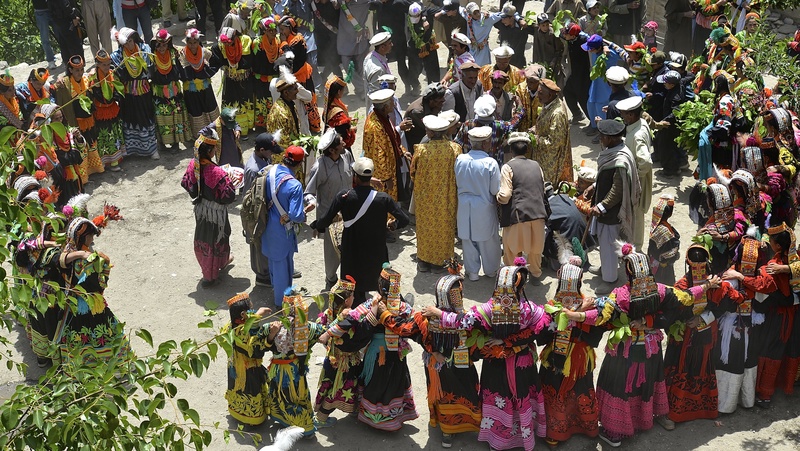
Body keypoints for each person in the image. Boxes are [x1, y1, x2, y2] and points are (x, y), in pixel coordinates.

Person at [595, 244, 715, 447]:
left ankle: (614, 431)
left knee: (620, 386)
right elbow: (685, 297)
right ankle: (643, 420)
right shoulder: (660, 290)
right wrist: (705, 286)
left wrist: (579, 312)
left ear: (629, 271)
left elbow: (603, 316)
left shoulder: (622, 295)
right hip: (651, 348)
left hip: (626, 351)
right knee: (647, 382)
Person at [381, 265, 482, 448]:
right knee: (462, 391)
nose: (459, 296)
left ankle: (447, 431)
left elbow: (405, 330)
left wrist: (385, 315)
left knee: (444, 394)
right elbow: (477, 345)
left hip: (437, 365)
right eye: (457, 293)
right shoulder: (467, 319)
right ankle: (462, 425)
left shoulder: (426, 318)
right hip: (461, 365)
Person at [461, 262, 553, 451]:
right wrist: (514, 342)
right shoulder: (528, 310)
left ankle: (498, 440)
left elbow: (466, 322)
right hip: (523, 363)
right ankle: (524, 437)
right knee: (521, 394)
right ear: (521, 286)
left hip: (495, 364)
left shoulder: (488, 309)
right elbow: (542, 327)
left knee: (499, 396)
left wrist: (499, 341)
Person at [313, 158, 409, 305]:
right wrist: (393, 225)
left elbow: (325, 220)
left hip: (352, 250)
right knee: (382, 281)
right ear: (371, 177)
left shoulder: (344, 197)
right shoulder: (383, 198)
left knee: (353, 286)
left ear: (355, 176)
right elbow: (404, 219)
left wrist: (315, 225)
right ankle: (392, 308)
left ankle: (356, 311)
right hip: (376, 250)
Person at [666, 244, 743, 426]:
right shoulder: (715, 284)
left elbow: (673, 311)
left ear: (687, 263)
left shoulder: (683, 286)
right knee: (698, 367)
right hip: (702, 335)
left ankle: (677, 411)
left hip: (689, 337)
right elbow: (729, 303)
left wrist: (697, 319)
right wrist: (705, 318)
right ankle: (702, 409)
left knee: (683, 368)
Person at [723, 223, 797, 408]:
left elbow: (763, 286)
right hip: (789, 314)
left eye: (771, 241)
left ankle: (764, 394)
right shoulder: (792, 259)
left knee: (769, 352)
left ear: (778, 246)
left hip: (778, 317)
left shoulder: (774, 265)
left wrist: (740, 277)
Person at [540, 260, 608, 446]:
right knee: (571, 389)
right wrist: (581, 311)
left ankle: (563, 429)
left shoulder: (558, 304)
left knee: (565, 390)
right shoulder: (584, 304)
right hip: (568, 355)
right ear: (580, 281)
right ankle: (574, 427)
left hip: (572, 357)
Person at [56, 209, 129, 368]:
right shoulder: (87, 260)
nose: (91, 238)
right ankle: (107, 368)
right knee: (103, 335)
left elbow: (61, 261)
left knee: (76, 339)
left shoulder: (68, 251)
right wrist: (105, 270)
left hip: (73, 306)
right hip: (90, 305)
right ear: (82, 236)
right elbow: (97, 285)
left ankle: (79, 369)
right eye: (89, 235)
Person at [264, 288, 327, 435]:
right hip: (296, 370)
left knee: (281, 396)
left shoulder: (274, 328)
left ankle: (284, 420)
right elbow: (324, 331)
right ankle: (305, 428)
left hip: (278, 371)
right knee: (298, 398)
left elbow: (262, 344)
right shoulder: (307, 328)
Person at [590, 119, 641, 294]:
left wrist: (602, 207)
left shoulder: (620, 159)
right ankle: (605, 268)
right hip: (605, 206)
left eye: (602, 136)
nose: (600, 139)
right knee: (604, 244)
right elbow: (605, 177)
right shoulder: (612, 151)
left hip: (612, 212)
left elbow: (618, 189)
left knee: (609, 244)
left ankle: (610, 279)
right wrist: (594, 187)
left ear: (611, 139)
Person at [180, 130, 236, 287]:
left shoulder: (193, 164)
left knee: (204, 238)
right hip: (216, 213)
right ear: (210, 151)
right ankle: (210, 276)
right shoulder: (217, 173)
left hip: (201, 210)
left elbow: (186, 183)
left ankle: (219, 264)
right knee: (217, 239)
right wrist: (229, 180)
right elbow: (228, 196)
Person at [304, 129, 354, 289]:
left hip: (350, 213)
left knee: (351, 249)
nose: (344, 143)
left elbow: (353, 173)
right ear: (332, 150)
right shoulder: (319, 167)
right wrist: (311, 202)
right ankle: (331, 280)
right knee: (332, 254)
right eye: (340, 142)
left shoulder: (346, 156)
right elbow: (308, 192)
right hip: (331, 219)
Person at [411, 115, 460, 272]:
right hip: (447, 197)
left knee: (425, 228)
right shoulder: (455, 149)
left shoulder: (421, 150)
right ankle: (440, 262)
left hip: (425, 198)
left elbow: (413, 173)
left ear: (431, 133)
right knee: (444, 227)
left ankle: (424, 261)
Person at [261, 146, 309, 307]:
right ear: (299, 164)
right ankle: (282, 304)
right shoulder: (294, 185)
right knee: (283, 267)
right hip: (282, 232)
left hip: (267, 226)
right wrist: (305, 213)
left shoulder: (270, 172)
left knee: (274, 263)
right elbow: (295, 215)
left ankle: (277, 290)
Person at [497, 133, 549, 283]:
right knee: (535, 249)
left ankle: (512, 276)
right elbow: (542, 189)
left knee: (511, 248)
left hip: (518, 216)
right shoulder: (536, 165)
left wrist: (497, 197)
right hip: (538, 214)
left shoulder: (508, 167)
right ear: (527, 150)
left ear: (511, 150)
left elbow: (505, 195)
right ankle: (535, 275)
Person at [313, 276, 362, 428]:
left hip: (332, 357)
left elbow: (321, 328)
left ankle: (352, 409)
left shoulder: (329, 312)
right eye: (353, 296)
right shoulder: (348, 315)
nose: (354, 298)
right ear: (347, 300)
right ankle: (321, 418)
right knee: (338, 388)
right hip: (345, 362)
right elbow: (355, 335)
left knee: (329, 385)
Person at [455, 126, 502, 281]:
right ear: (485, 144)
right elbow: (495, 190)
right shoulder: (490, 163)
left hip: (464, 205)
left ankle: (472, 272)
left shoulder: (460, 159)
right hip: (483, 206)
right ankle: (490, 270)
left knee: (468, 240)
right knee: (488, 241)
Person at [51, 55, 104, 183]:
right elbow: (53, 90)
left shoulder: (86, 79)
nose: (79, 73)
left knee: (91, 145)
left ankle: (95, 169)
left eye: (81, 69)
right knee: (81, 149)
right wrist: (58, 79)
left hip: (88, 119)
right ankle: (84, 177)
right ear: (70, 70)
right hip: (76, 121)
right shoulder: (65, 83)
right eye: (76, 70)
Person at [223, 292, 272, 425]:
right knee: (249, 389)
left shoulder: (230, 326)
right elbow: (256, 351)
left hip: (234, 364)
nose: (253, 309)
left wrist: (257, 316)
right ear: (243, 314)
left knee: (237, 388)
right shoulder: (241, 333)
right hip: (247, 368)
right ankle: (252, 418)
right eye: (250, 308)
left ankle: (237, 411)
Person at [111, 27, 159, 159]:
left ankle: (152, 149)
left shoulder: (145, 51)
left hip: (143, 90)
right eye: (125, 42)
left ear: (135, 39)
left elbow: (150, 69)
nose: (129, 44)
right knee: (131, 118)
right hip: (128, 94)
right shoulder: (117, 56)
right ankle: (132, 150)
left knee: (146, 117)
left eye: (130, 41)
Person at [363, 89, 412, 206]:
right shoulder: (376, 126)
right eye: (391, 102)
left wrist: (402, 151)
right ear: (385, 107)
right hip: (382, 176)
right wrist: (386, 179)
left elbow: (392, 138)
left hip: (391, 168)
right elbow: (379, 154)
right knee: (385, 202)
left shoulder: (383, 118)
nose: (394, 103)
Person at [243, 132, 279, 287]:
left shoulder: (265, 159)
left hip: (267, 209)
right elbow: (249, 199)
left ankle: (271, 270)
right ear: (262, 149)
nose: (272, 154)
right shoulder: (253, 169)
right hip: (257, 213)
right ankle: (262, 276)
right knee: (258, 245)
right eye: (270, 150)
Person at [617, 96, 652, 251]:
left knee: (636, 215)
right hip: (637, 180)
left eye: (624, 114)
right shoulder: (641, 124)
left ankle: (636, 248)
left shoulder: (637, 136)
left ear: (631, 115)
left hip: (637, 183)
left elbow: (645, 162)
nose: (622, 116)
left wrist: (634, 179)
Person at [149, 29, 192, 150]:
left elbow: (180, 69)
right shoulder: (151, 57)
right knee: (161, 119)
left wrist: (185, 79)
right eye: (159, 45)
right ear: (154, 45)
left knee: (175, 117)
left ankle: (175, 143)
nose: (162, 48)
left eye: (164, 45)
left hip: (174, 92)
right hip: (159, 93)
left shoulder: (174, 54)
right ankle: (162, 143)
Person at [211, 27, 254, 137]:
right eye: (225, 43)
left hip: (244, 80)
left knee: (245, 103)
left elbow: (247, 62)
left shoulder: (245, 41)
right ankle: (230, 128)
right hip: (230, 79)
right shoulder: (220, 46)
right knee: (230, 102)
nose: (228, 45)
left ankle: (244, 130)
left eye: (230, 43)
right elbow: (216, 60)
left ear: (236, 37)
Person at [179, 27, 221, 138]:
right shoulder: (182, 54)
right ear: (186, 42)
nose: (192, 45)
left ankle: (214, 130)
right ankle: (199, 134)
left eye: (195, 42)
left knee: (209, 106)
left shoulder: (204, 52)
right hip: (190, 88)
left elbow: (214, 63)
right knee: (195, 109)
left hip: (205, 85)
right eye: (190, 43)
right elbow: (182, 71)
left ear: (199, 42)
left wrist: (205, 74)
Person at [88, 50, 125, 172]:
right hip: (101, 111)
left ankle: (117, 159)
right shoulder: (93, 78)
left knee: (114, 134)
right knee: (105, 136)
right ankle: (106, 162)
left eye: (108, 64)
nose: (106, 67)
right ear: (97, 64)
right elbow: (91, 95)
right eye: (104, 65)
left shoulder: (112, 73)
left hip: (112, 109)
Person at [533, 78, 572, 185]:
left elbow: (554, 143)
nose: (537, 95)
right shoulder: (548, 103)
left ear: (550, 95)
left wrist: (535, 139)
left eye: (540, 93)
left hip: (551, 160)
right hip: (542, 156)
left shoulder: (557, 114)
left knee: (547, 186)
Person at [251, 17, 281, 130]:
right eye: (270, 30)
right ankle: (260, 126)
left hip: (273, 78)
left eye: (274, 30)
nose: (273, 33)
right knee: (261, 102)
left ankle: (273, 124)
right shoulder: (257, 43)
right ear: (264, 31)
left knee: (272, 100)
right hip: (260, 78)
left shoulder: (278, 42)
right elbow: (254, 62)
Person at [336, 0, 370, 98]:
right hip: (345, 37)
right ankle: (361, 87)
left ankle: (360, 90)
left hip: (360, 37)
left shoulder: (365, 2)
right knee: (346, 62)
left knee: (360, 63)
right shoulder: (341, 3)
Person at [406, 2, 441, 89]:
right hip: (415, 46)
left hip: (429, 46)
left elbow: (443, 8)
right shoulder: (408, 9)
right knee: (414, 70)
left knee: (433, 72)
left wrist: (426, 18)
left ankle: (433, 90)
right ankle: (415, 86)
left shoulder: (428, 12)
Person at [647, 195, 681, 284]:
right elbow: (671, 252)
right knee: (665, 285)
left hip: (654, 261)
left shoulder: (655, 225)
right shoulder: (666, 232)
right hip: (663, 265)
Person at [561, 23, 590, 124]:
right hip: (574, 73)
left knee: (583, 98)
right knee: (567, 91)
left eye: (566, 34)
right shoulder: (570, 38)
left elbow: (599, 42)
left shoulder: (584, 41)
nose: (564, 36)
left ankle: (594, 124)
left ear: (573, 36)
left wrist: (605, 47)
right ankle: (577, 114)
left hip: (584, 75)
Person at [405, 83, 447, 149]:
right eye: (440, 99)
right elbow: (432, 127)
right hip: (417, 141)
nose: (443, 100)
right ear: (431, 100)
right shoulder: (417, 111)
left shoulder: (432, 104)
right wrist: (435, 112)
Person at [460, 2, 503, 66]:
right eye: (475, 13)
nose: (478, 14)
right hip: (471, 48)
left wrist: (517, 18)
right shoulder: (468, 18)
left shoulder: (488, 19)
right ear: (470, 15)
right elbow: (460, 9)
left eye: (478, 11)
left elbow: (503, 14)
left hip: (483, 49)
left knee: (483, 67)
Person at [493, 3, 530, 68]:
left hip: (518, 62)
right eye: (502, 18)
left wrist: (520, 19)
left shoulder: (522, 26)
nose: (502, 20)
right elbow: (491, 18)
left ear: (512, 18)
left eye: (505, 18)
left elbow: (539, 28)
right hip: (503, 61)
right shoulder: (501, 24)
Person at [48, 0, 83, 66]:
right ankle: (78, 66)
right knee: (75, 45)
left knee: (64, 45)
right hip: (67, 20)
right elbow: (65, 4)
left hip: (58, 20)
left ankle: (69, 67)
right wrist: (73, 16)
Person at [531, 13, 564, 80]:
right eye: (543, 25)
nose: (545, 27)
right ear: (539, 25)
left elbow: (559, 49)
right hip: (538, 61)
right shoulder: (535, 31)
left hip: (551, 64)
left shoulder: (553, 34)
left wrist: (554, 61)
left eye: (547, 25)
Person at [363, 31, 394, 96]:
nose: (392, 45)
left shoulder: (371, 56)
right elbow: (376, 94)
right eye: (389, 43)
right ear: (382, 47)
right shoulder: (378, 70)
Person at [516, 64, 543, 134]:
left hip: (539, 130)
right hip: (523, 130)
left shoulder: (544, 92)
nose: (529, 84)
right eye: (527, 80)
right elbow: (517, 107)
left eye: (532, 82)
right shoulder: (520, 89)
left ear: (539, 81)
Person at [33, 0, 58, 69]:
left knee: (60, 34)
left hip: (54, 9)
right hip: (40, 11)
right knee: (45, 38)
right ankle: (51, 60)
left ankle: (66, 56)